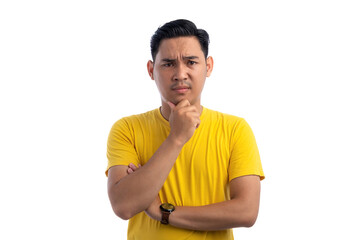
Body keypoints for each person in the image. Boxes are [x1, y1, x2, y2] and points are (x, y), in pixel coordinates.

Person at [106, 19, 265, 240]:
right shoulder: (127, 129)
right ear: (151, 70)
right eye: (169, 64)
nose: (180, 73)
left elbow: (246, 211)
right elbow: (124, 205)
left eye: (191, 62)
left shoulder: (235, 129)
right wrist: (177, 137)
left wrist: (163, 212)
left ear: (208, 66)